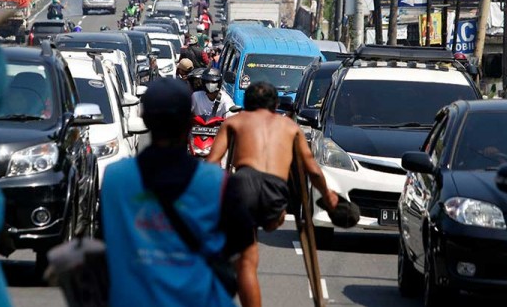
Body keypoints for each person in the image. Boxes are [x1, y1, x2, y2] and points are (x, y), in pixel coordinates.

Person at [101, 79, 254, 307]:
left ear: (145, 119)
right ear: (188, 121)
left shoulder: (114, 179)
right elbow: (243, 254)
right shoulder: (218, 183)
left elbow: (105, 245)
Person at [207, 82, 340, 307]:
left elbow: (211, 163)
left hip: (243, 184)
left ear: (246, 104)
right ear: (276, 104)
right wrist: (327, 196)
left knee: (247, 262)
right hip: (276, 191)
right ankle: (272, 219)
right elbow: (313, 170)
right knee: (269, 220)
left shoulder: (235, 121)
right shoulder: (289, 127)